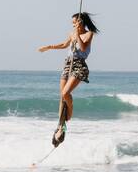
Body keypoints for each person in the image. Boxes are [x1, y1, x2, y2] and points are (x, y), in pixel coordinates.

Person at [38, 12, 99, 145]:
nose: (73, 25)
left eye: (74, 23)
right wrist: (48, 47)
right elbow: (64, 45)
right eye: (72, 23)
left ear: (81, 22)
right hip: (67, 64)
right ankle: (61, 126)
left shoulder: (89, 34)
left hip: (79, 65)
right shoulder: (71, 33)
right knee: (62, 96)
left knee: (66, 93)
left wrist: (77, 33)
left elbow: (83, 48)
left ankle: (69, 115)